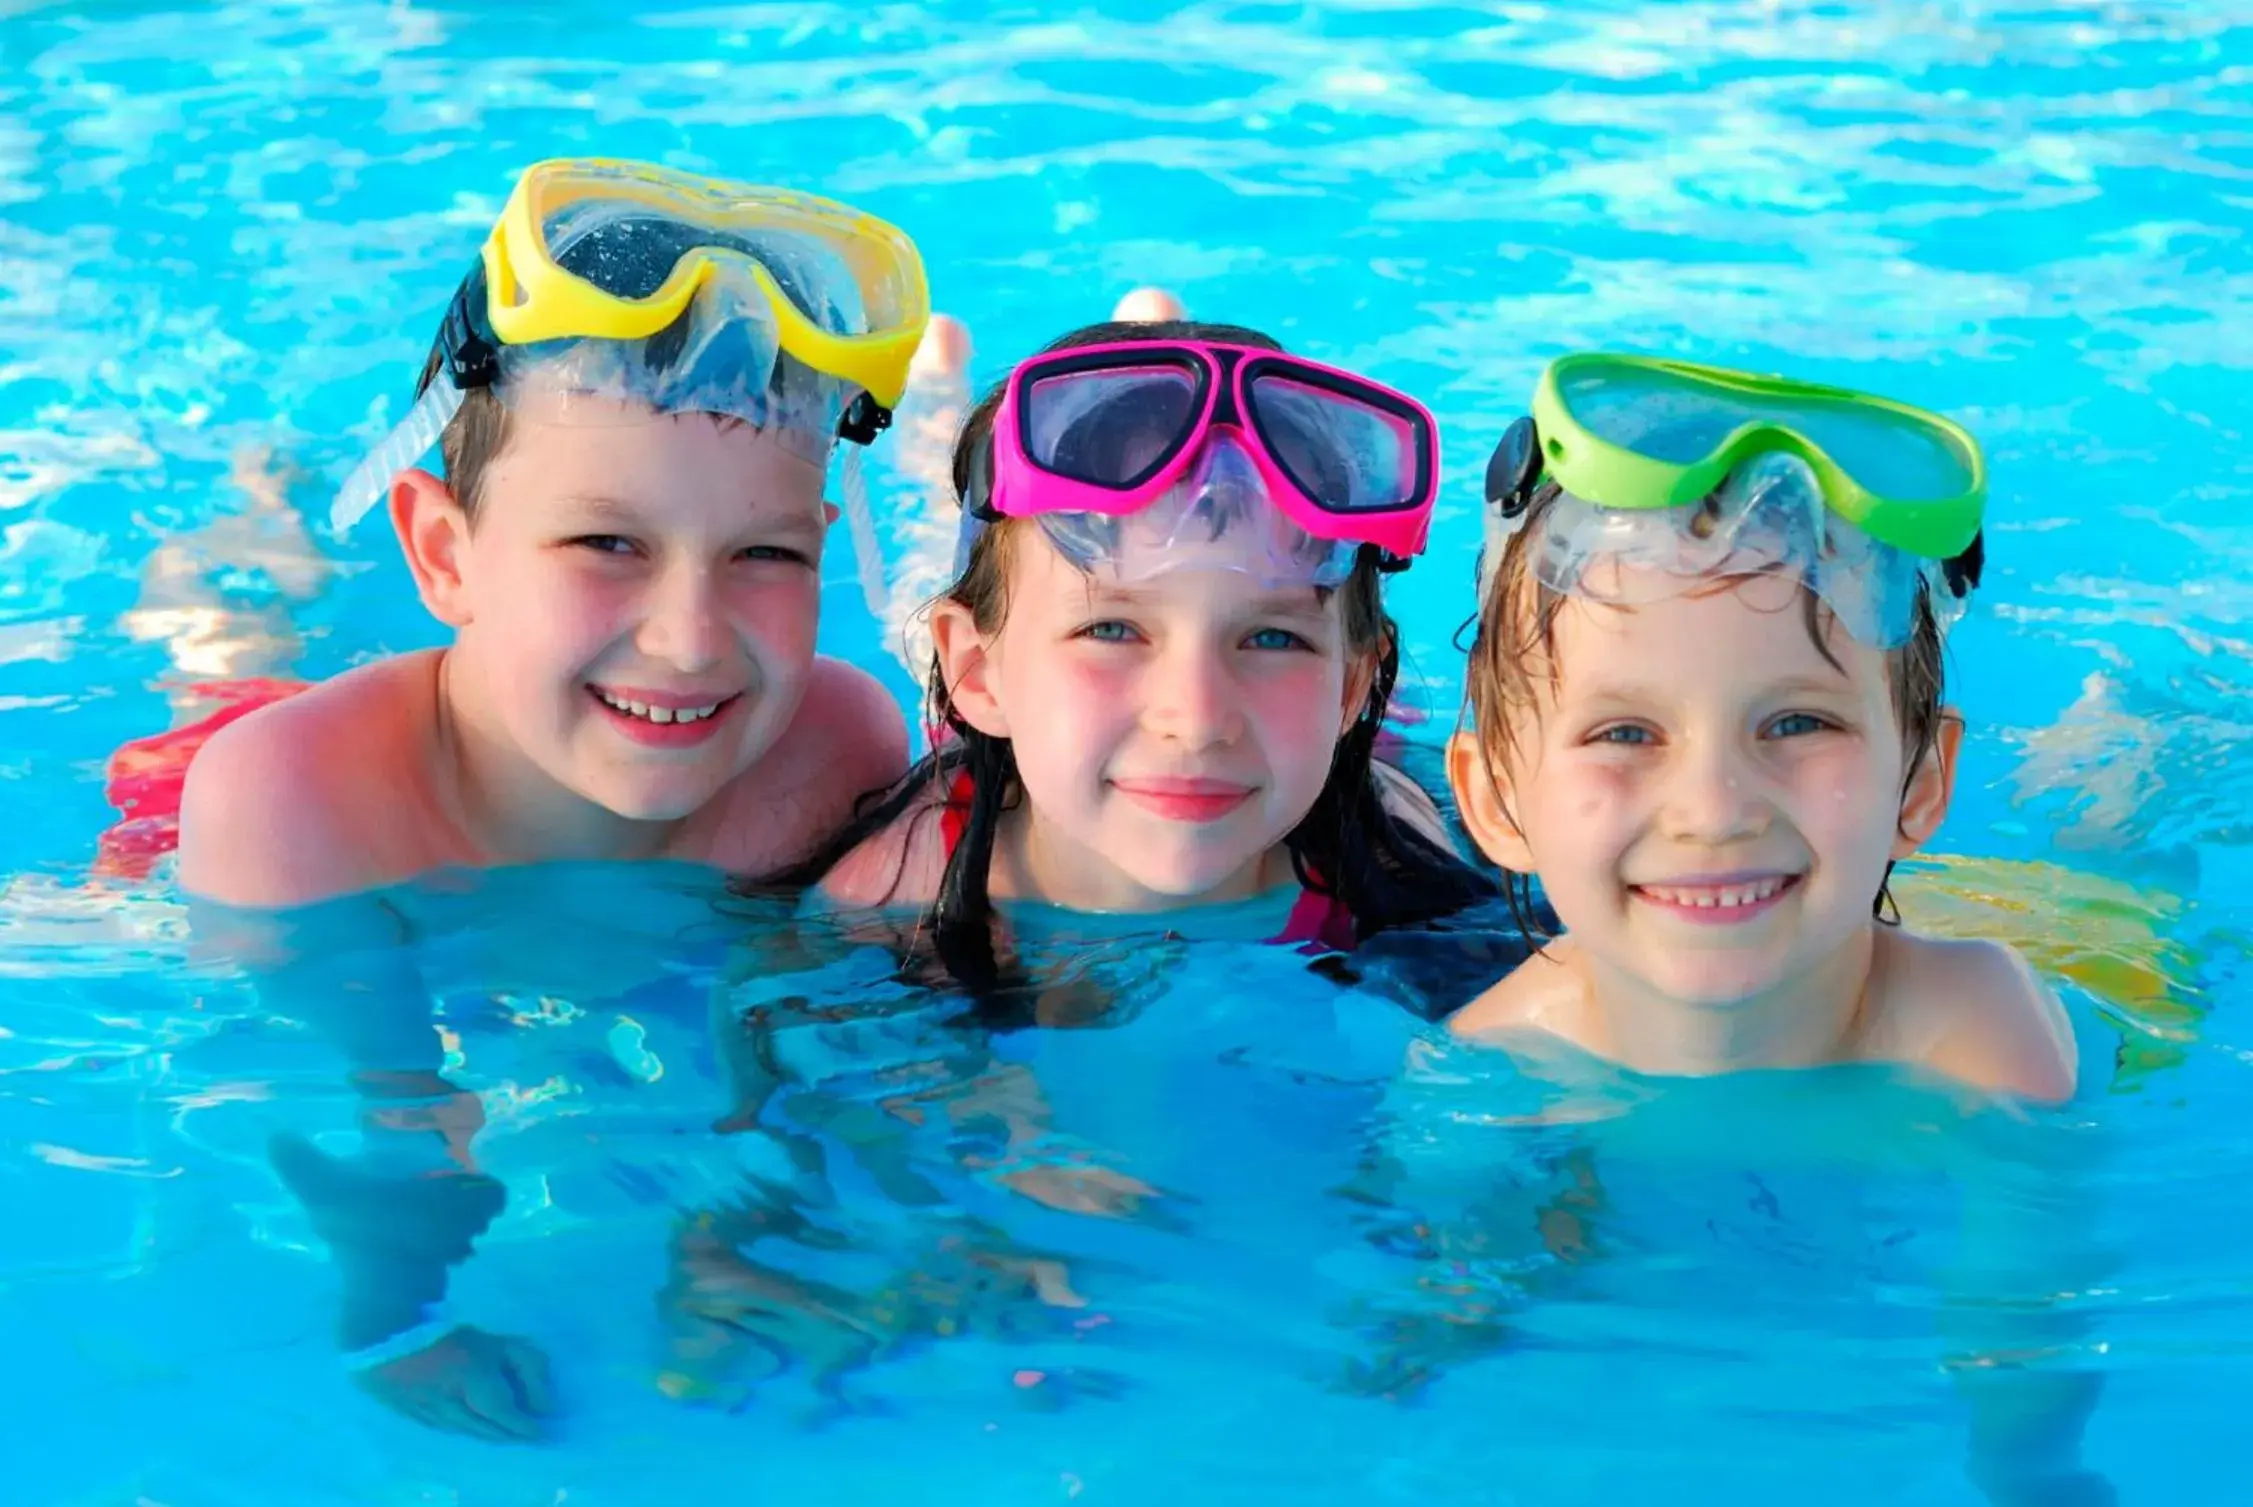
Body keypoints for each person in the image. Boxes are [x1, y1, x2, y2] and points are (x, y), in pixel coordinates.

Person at [177, 157, 928, 907]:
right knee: (226, 682)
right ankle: (248, 543)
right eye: (606, 544)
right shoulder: (301, 804)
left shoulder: (836, 756)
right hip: (200, 799)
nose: (691, 642)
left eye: (767, 552)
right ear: (444, 554)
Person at [795, 316, 1501, 1005]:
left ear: (1351, 686)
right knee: (928, 564)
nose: (1195, 720)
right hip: (991, 753)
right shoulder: (904, 886)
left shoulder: (1388, 854)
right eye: (1112, 628)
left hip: (1351, 751)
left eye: (1272, 637)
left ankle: (1159, 351)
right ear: (981, 671)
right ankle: (935, 409)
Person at [1444, 353, 2076, 1102]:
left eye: (1798, 722)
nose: (1713, 811)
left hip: (2090, 941)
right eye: (1624, 732)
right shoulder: (1486, 1072)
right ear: (1495, 799)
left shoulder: (1975, 1033)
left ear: (1921, 780)